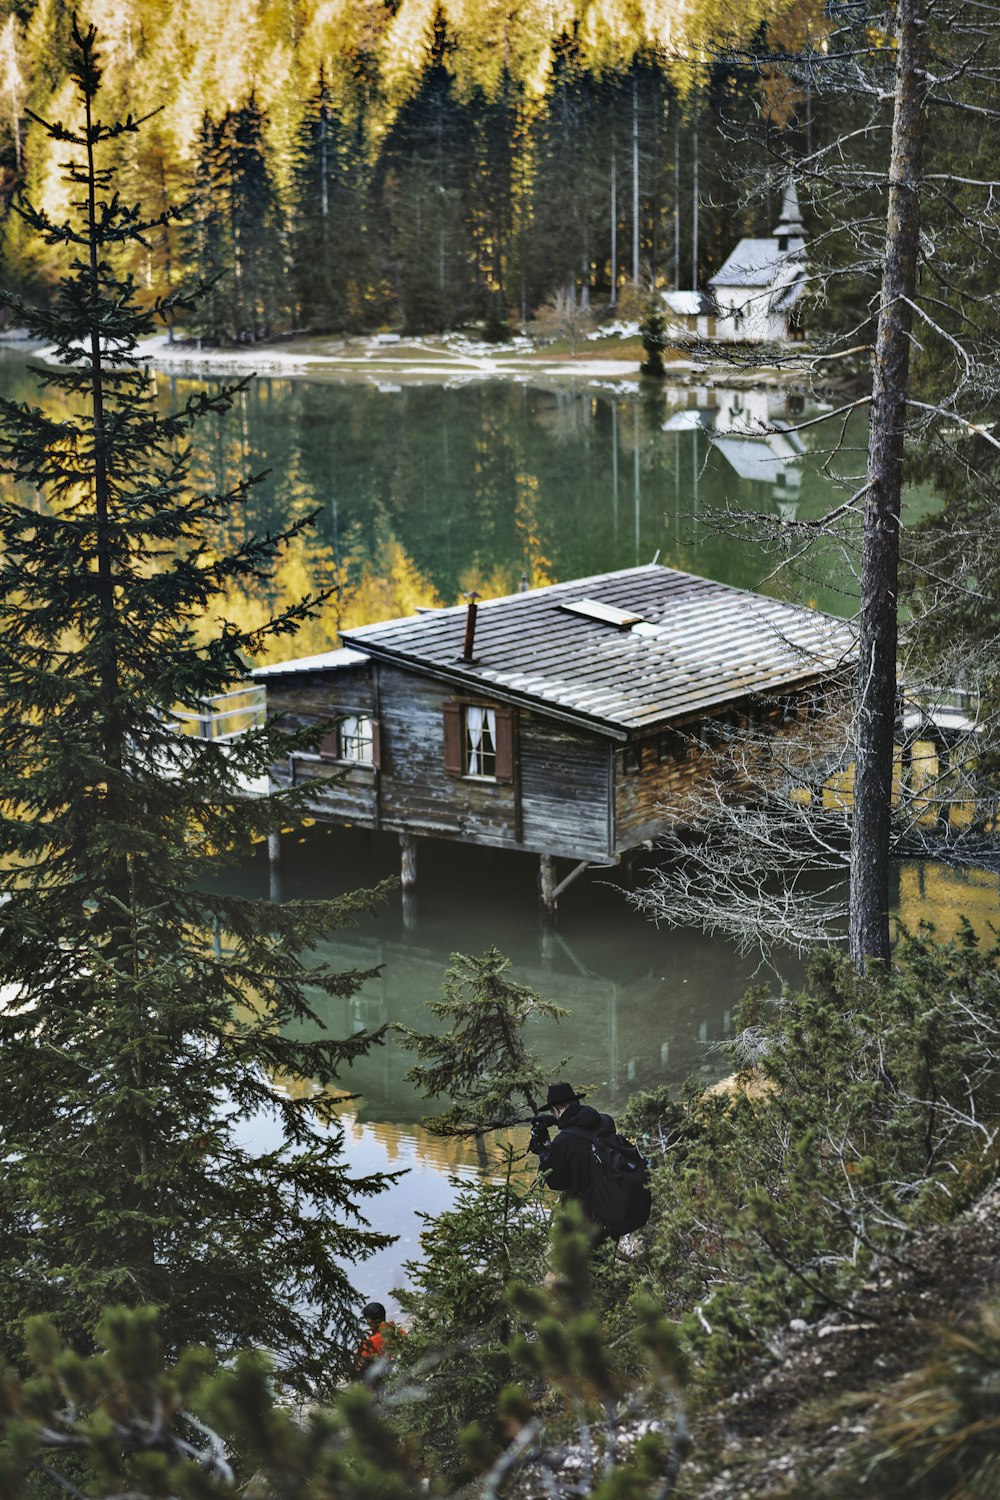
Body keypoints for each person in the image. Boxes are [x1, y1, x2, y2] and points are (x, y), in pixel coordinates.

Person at [529, 1082, 616, 1233]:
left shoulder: (563, 1142)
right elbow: (584, 1128)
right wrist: (556, 1121)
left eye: (552, 1111)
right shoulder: (606, 1121)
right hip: (613, 1204)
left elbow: (557, 1182)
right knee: (607, 1253)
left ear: (556, 1109)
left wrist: (544, 1153)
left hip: (586, 1216)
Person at [354, 1300, 404, 1375]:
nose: (367, 1323)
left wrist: (362, 1342)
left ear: (371, 1320)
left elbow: (359, 1362)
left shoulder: (372, 1341)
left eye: (367, 1319)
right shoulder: (398, 1330)